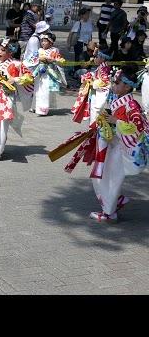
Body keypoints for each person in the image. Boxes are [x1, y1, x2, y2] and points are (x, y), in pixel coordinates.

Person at [61, 68, 149, 223]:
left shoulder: (132, 105)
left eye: (117, 83)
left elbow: (138, 128)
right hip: (112, 144)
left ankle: (109, 213)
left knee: (109, 177)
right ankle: (115, 201)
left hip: (121, 148)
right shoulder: (118, 99)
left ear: (127, 87)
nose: (114, 85)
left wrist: (116, 122)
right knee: (101, 175)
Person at [24, 33, 66, 116]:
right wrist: (37, 59)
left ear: (51, 43)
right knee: (37, 90)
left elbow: (58, 60)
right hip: (39, 72)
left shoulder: (54, 50)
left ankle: (43, 109)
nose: (43, 43)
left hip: (48, 74)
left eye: (45, 41)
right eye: (42, 41)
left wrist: (50, 60)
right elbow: (32, 59)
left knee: (45, 91)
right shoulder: (39, 50)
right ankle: (35, 107)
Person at [70, 48, 112, 124]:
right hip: (95, 92)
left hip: (98, 93)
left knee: (95, 112)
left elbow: (104, 81)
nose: (95, 59)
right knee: (93, 111)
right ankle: (93, 130)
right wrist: (90, 76)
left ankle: (94, 131)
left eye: (97, 57)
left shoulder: (104, 69)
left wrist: (92, 82)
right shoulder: (102, 67)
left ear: (102, 58)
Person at [67, 7, 94, 75]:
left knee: (88, 58)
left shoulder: (90, 22)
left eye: (88, 14)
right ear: (82, 15)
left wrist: (91, 42)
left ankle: (86, 73)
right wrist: (69, 44)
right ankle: (76, 73)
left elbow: (90, 34)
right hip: (79, 43)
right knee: (79, 59)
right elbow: (71, 33)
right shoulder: (78, 23)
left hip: (88, 44)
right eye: (86, 14)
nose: (88, 15)